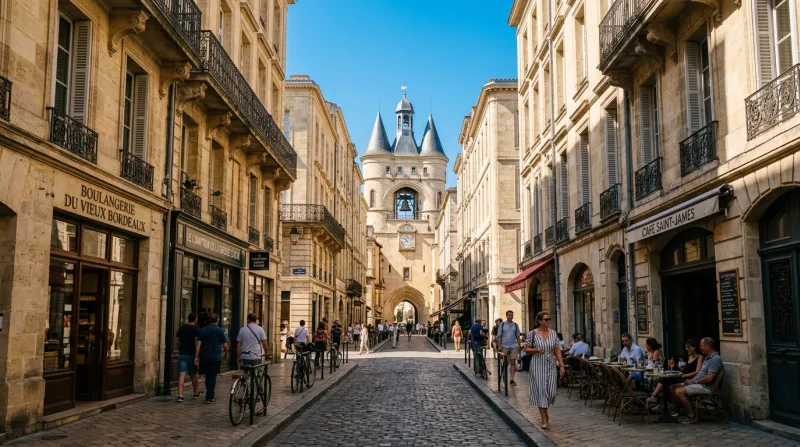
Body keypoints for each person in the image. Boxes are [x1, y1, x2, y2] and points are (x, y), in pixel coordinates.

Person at [524, 311, 565, 430]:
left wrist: (561, 365)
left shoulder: (553, 334)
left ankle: (545, 412)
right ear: (539, 321)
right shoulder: (532, 334)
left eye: (549, 319)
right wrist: (536, 350)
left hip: (550, 364)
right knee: (541, 391)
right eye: (546, 319)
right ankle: (544, 419)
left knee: (551, 391)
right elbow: (526, 349)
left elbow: (557, 349)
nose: (548, 321)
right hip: (537, 364)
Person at [670, 337, 723, 424]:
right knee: (672, 387)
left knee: (679, 391)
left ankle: (691, 415)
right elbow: (701, 374)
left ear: (708, 346)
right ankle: (678, 412)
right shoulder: (708, 357)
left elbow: (709, 378)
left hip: (706, 387)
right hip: (697, 383)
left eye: (702, 346)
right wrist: (691, 380)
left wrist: (693, 382)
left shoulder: (715, 359)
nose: (700, 348)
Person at [649, 338, 705, 406]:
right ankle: (665, 404)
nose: (687, 349)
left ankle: (655, 397)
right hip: (683, 376)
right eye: (686, 347)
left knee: (665, 380)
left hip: (690, 379)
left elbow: (697, 371)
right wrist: (682, 369)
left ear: (694, 347)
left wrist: (686, 375)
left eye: (689, 347)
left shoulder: (700, 357)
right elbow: (687, 369)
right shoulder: (689, 357)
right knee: (665, 380)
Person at [194, 314, 228, 404]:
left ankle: (210, 394)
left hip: (204, 356)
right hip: (215, 357)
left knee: (208, 376)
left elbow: (198, 344)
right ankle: (209, 397)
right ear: (218, 320)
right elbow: (225, 345)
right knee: (212, 376)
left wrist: (196, 356)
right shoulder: (220, 331)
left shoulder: (203, 330)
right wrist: (226, 354)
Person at [175, 312, 201, 402]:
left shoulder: (181, 328)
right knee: (194, 374)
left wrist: (180, 348)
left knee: (182, 374)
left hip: (182, 354)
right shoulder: (196, 329)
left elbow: (177, 341)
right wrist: (197, 355)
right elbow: (196, 343)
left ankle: (180, 395)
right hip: (192, 355)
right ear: (196, 319)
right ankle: (195, 392)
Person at [496, 310, 522, 386]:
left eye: (512, 315)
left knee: (513, 363)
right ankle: (504, 376)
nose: (511, 316)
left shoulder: (515, 325)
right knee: (505, 363)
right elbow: (499, 336)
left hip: (513, 346)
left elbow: (517, 336)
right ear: (506, 316)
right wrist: (499, 346)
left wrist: (519, 345)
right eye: (509, 315)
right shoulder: (502, 324)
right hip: (505, 346)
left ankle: (512, 379)